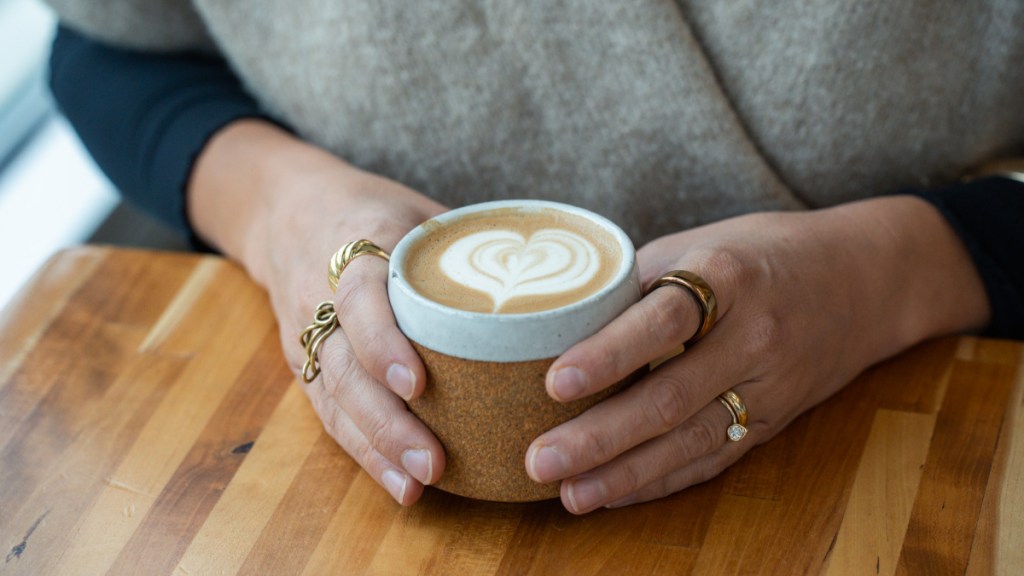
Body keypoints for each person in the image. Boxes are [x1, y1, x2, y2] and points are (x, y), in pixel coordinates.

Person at [45, 1, 1024, 514]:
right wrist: (281, 209)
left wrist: (899, 270)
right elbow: (112, 44)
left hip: (918, 447)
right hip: (342, 500)